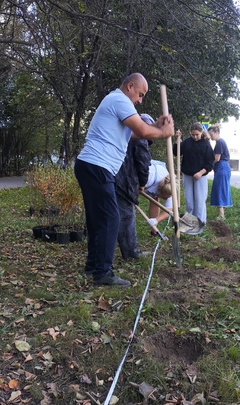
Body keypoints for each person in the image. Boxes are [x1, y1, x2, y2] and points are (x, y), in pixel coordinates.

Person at [74, 73, 174, 286]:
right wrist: (164, 132)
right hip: (97, 166)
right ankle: (103, 273)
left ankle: (93, 267)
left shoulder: (113, 101)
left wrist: (156, 126)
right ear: (130, 86)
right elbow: (141, 129)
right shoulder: (120, 99)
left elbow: (133, 135)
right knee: (111, 219)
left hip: (90, 166)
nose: (140, 100)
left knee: (97, 220)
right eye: (140, 94)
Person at [115, 114, 153, 260]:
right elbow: (143, 162)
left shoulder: (123, 131)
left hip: (109, 176)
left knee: (111, 215)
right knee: (126, 216)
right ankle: (131, 253)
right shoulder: (140, 138)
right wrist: (142, 183)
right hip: (124, 180)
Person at [174, 122, 214, 227]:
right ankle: (189, 222)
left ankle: (200, 222)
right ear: (190, 133)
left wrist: (201, 173)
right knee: (189, 200)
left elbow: (210, 163)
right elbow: (176, 152)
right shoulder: (187, 142)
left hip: (200, 177)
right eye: (193, 134)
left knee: (199, 200)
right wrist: (178, 140)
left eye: (197, 134)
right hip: (187, 175)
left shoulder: (206, 144)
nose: (195, 137)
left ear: (201, 132)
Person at [208, 125, 232, 219]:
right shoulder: (220, 142)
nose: (211, 136)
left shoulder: (219, 143)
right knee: (223, 189)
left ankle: (221, 215)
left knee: (219, 190)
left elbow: (217, 158)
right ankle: (222, 213)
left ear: (217, 132)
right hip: (223, 168)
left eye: (211, 134)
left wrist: (209, 165)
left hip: (221, 167)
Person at [144, 160, 173, 232]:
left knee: (154, 200)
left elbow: (169, 209)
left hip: (157, 174)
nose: (165, 199)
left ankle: (154, 229)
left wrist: (156, 220)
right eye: (164, 197)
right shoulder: (149, 177)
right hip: (144, 173)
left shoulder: (170, 185)